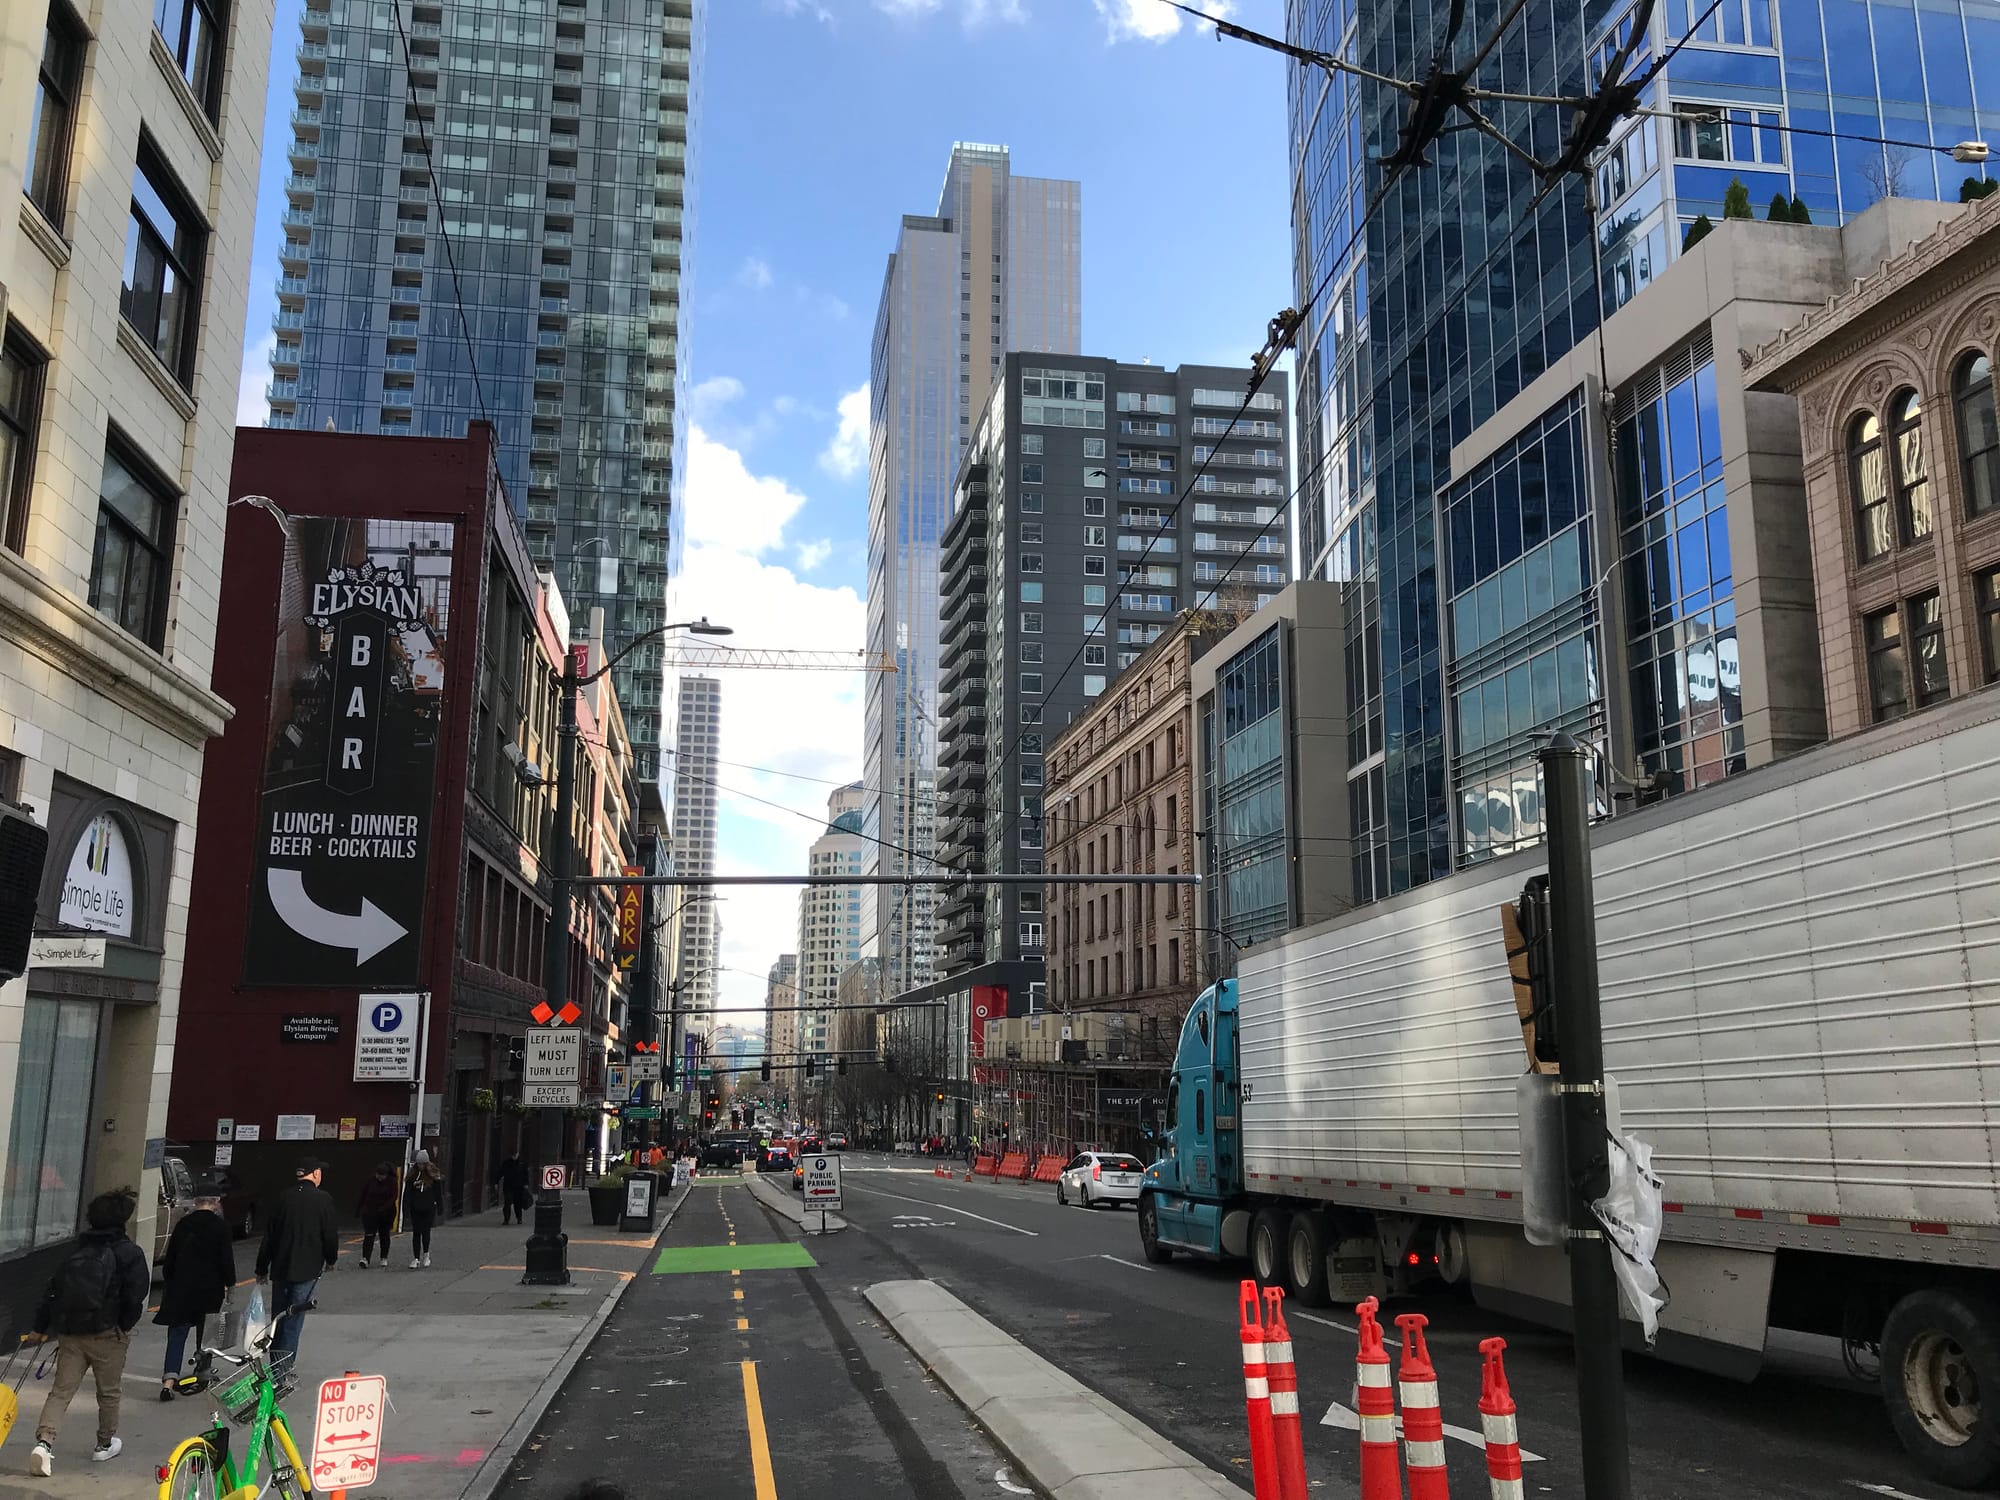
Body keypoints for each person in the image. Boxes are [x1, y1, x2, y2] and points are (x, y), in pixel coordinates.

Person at [26, 1189, 150, 1475]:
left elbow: (52, 1291)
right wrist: (123, 1325)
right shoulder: (129, 1253)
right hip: (108, 1334)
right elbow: (136, 1295)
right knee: (108, 1393)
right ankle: (104, 1445)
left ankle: (44, 1444)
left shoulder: (75, 1250)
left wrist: (39, 1328)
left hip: (70, 1333)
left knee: (60, 1391)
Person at [256, 1157, 339, 1375]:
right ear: (315, 1174)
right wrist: (331, 1259)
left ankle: (275, 1367)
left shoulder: (283, 1198)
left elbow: (270, 1236)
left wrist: (261, 1268)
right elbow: (330, 1235)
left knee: (277, 1319)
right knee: (294, 1319)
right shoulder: (323, 1199)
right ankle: (284, 1369)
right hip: (308, 1269)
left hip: (281, 1267)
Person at [154, 1183, 236, 1400]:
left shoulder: (183, 1225)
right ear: (216, 1201)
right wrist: (231, 1285)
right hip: (210, 1289)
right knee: (208, 1333)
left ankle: (169, 1382)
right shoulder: (221, 1227)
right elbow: (226, 1260)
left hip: (181, 1288)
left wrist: (171, 1282)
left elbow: (169, 1261)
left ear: (196, 1201)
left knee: (177, 1333)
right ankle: (202, 1376)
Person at [403, 1151, 443, 1268]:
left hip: (429, 1207)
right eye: (419, 1164)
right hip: (415, 1207)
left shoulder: (433, 1175)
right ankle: (415, 1258)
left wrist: (440, 1206)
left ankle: (426, 1254)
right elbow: (407, 1193)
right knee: (416, 1232)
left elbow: (437, 1193)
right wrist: (405, 1208)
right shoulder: (412, 1175)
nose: (420, 1166)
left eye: (423, 1164)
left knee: (426, 1231)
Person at [355, 1162, 400, 1265]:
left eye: (382, 1175)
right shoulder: (371, 1181)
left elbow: (393, 1197)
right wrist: (359, 1209)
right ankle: (365, 1258)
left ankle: (384, 1257)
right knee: (369, 1235)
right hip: (370, 1212)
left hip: (386, 1213)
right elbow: (363, 1194)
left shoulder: (392, 1182)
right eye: (378, 1175)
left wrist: (383, 1209)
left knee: (384, 1235)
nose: (379, 1177)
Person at [492, 1152, 529, 1227]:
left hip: (519, 1186)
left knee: (518, 1203)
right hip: (508, 1186)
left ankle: (519, 1218)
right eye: (513, 1154)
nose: (514, 1156)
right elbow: (500, 1172)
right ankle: (506, 1219)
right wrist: (496, 1182)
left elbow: (526, 1174)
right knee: (507, 1202)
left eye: (516, 1154)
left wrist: (526, 1184)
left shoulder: (522, 1163)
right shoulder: (506, 1163)